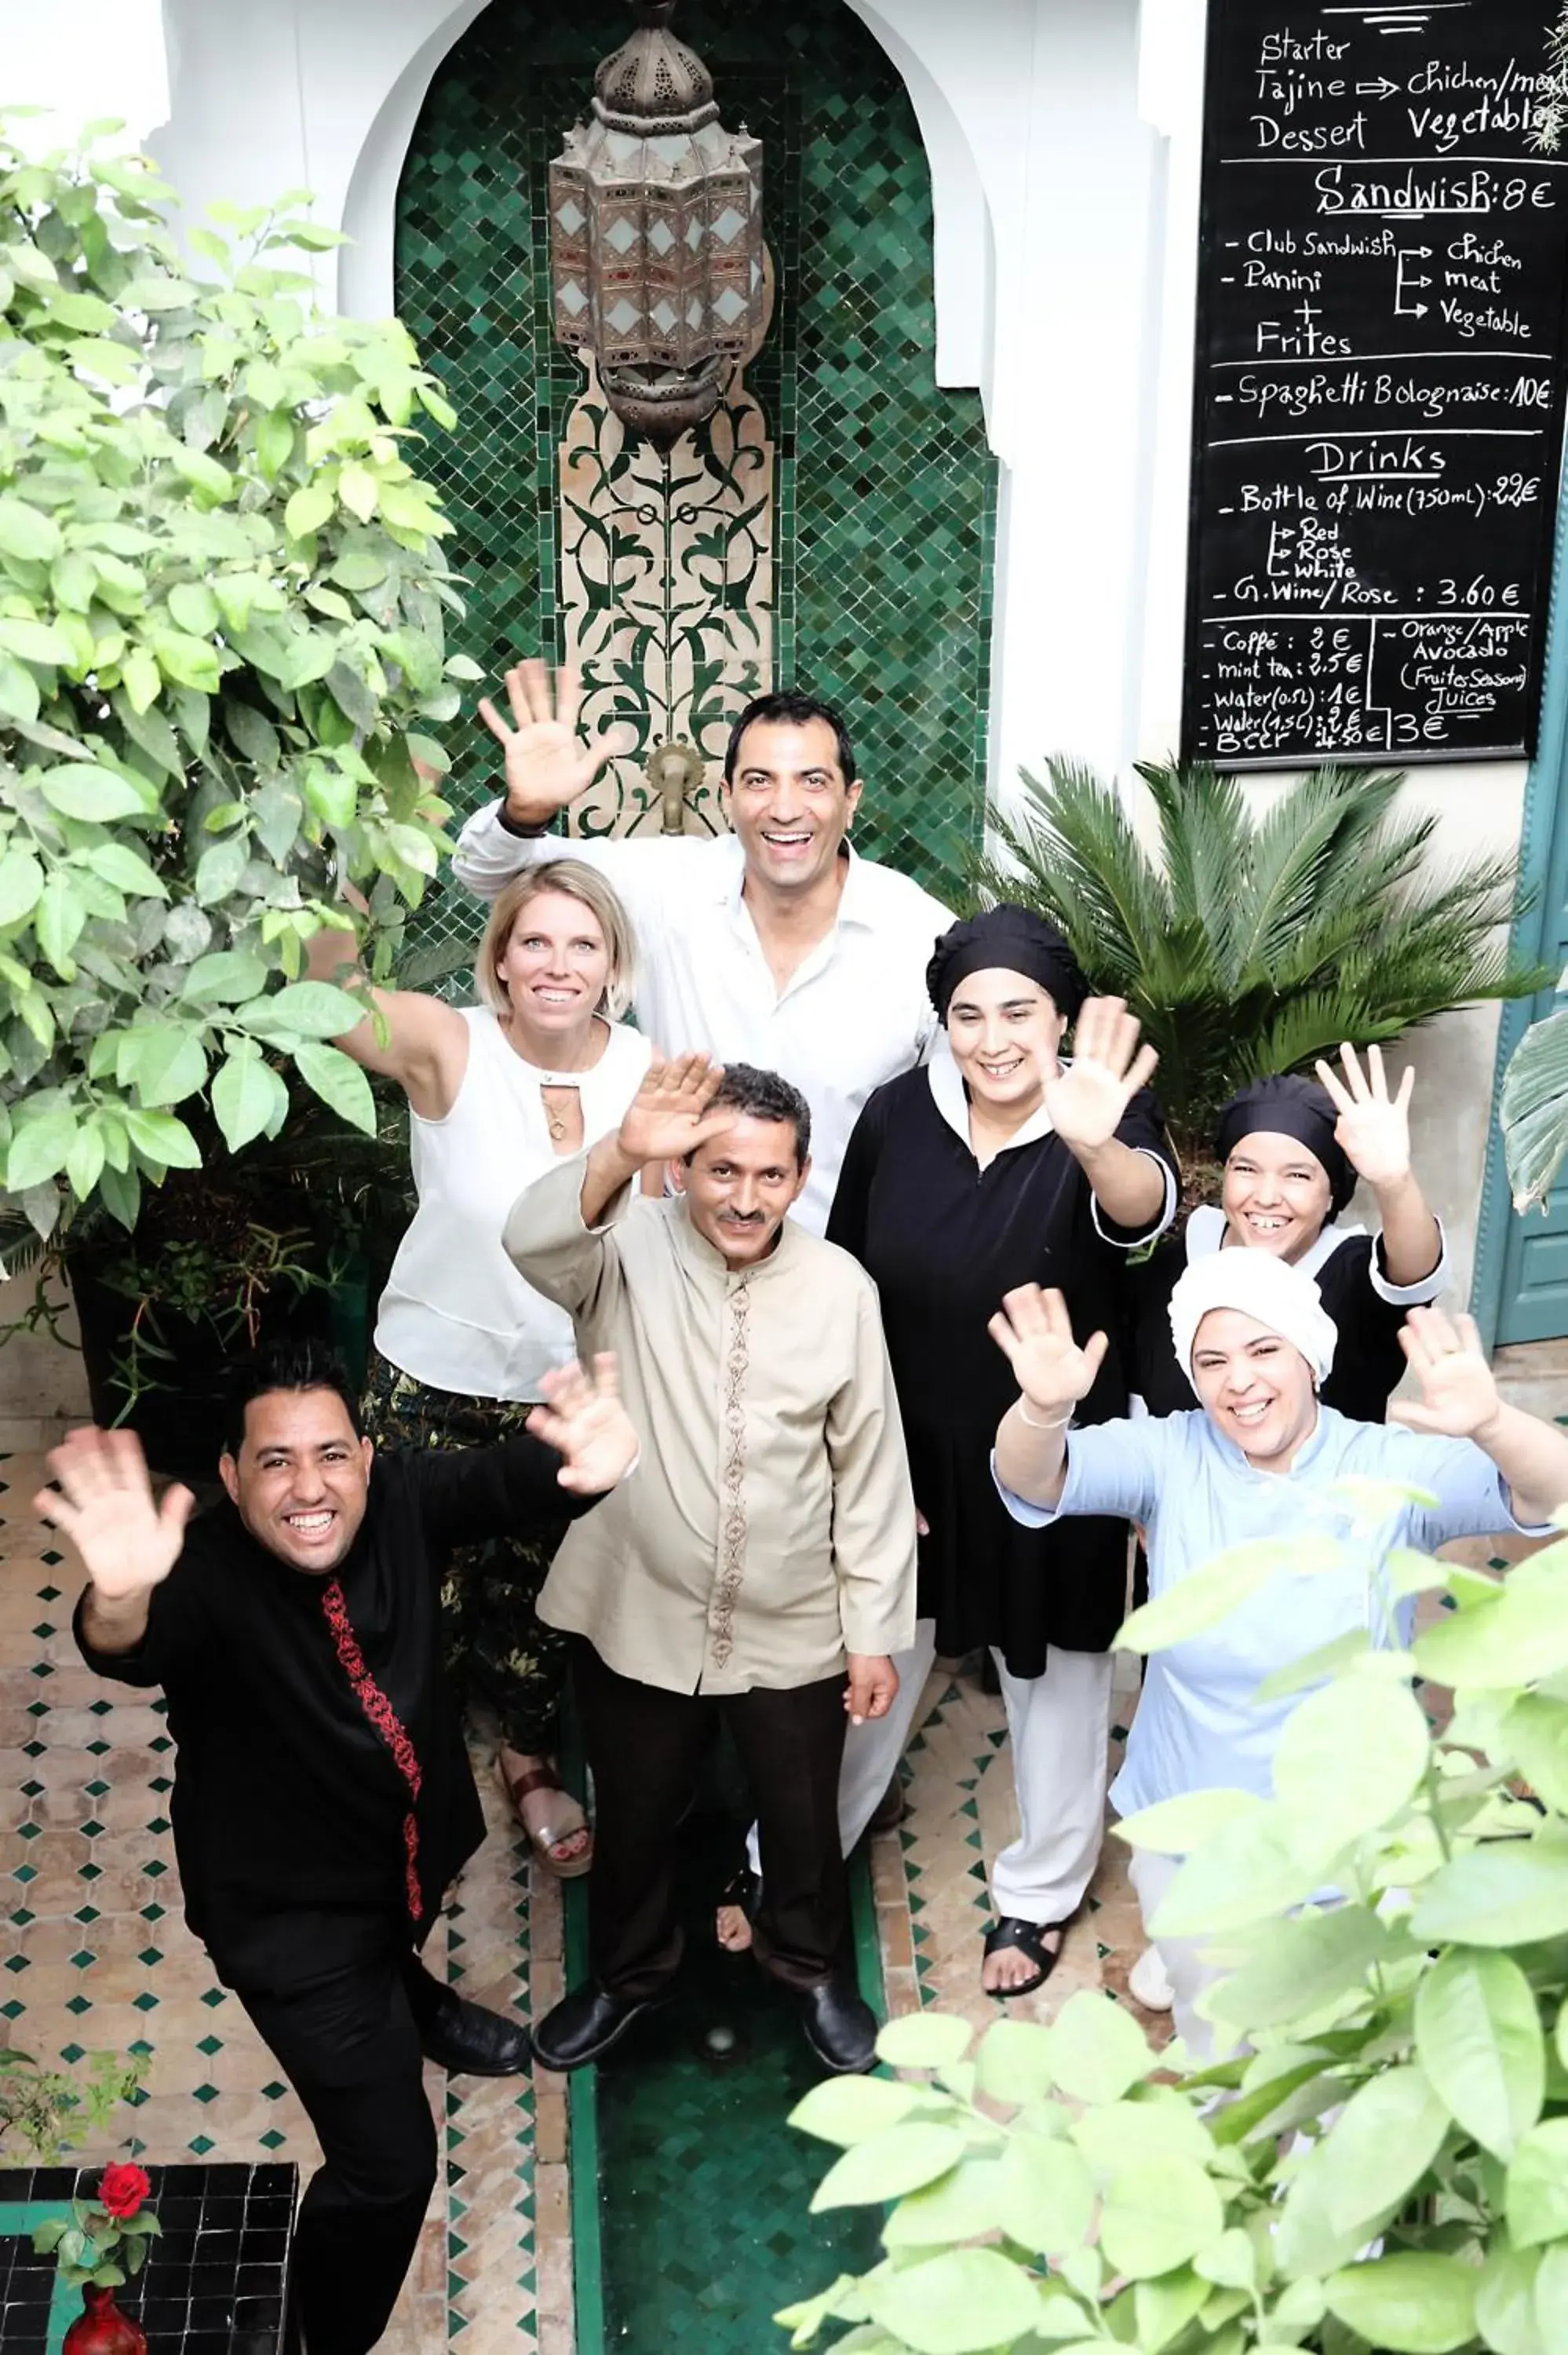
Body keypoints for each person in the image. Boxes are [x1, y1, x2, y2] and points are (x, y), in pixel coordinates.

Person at [454, 659, 954, 1860]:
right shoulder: (667, 885)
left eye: (813, 782)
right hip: (675, 1282)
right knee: (676, 1521)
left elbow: (979, 1079)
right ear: (725, 797)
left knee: (874, 1535)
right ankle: (654, 1799)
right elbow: (499, 879)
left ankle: (807, 1835)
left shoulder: (914, 929)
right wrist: (526, 809)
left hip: (840, 1294)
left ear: (852, 799)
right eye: (759, 781)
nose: (786, 806)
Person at [53, 1342, 638, 2355]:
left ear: (368, 1458)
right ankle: (319, 2338)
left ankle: (422, 2006)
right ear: (231, 1479)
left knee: (394, 1958)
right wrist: (117, 1593)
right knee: (388, 2166)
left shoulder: (400, 1498)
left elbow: (506, 1479)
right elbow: (128, 1640)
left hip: (404, 1865)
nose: (309, 1487)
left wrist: (593, 1461)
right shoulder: (200, 1572)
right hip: (293, 1930)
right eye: (275, 1462)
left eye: (331, 1455)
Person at [987, 1258, 1568, 2055]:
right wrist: (1042, 1410)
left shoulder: (1383, 1464)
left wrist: (1493, 1422)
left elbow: (1550, 1492)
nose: (1239, 1384)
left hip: (1357, 1838)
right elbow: (1039, 1477)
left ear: (1310, 1358)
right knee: (1220, 2043)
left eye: (1264, 1352)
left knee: (1341, 2057)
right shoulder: (1172, 1453)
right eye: (1212, 1361)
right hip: (1198, 1832)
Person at [502, 1055, 918, 2076]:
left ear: (801, 1174)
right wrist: (618, 1152)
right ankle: (625, 1977)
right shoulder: (623, 1256)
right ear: (683, 1167)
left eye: (768, 1176)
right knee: (635, 1816)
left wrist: (871, 1632)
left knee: (801, 1816)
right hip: (637, 1609)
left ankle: (810, 1968)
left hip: (793, 1620)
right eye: (720, 1171)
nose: (743, 1197)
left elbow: (868, 1474)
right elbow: (530, 1239)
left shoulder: (838, 1290)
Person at [821, 907, 1176, 1996]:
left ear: (1060, 1017)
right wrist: (852, 1458)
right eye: (966, 1014)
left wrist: (1092, 1141)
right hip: (909, 1450)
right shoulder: (894, 1116)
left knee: (1055, 1674)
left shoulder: (1108, 1121)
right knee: (872, 1658)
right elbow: (838, 1278)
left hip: (1055, 1456)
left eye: (1017, 1011)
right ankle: (797, 1851)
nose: (991, 1038)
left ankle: (1039, 1892)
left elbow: (1144, 1216)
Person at [309, 859, 651, 1876]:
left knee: (540, 1607)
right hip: (428, 1386)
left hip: (564, 1397)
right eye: (534, 942)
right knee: (412, 1598)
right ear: (498, 959)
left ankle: (529, 1759)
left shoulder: (644, 1069)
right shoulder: (447, 1045)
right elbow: (325, 993)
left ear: (611, 966)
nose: (556, 964)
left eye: (581, 944)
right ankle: (403, 1777)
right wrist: (376, 839)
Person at [1129, 1052, 1447, 1421]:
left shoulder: (1352, 1277)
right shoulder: (1174, 1267)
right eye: (1247, 1169)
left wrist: (1395, 1181)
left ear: (1332, 1194)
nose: (1266, 1197)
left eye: (1297, 1176)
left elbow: (1415, 1273)